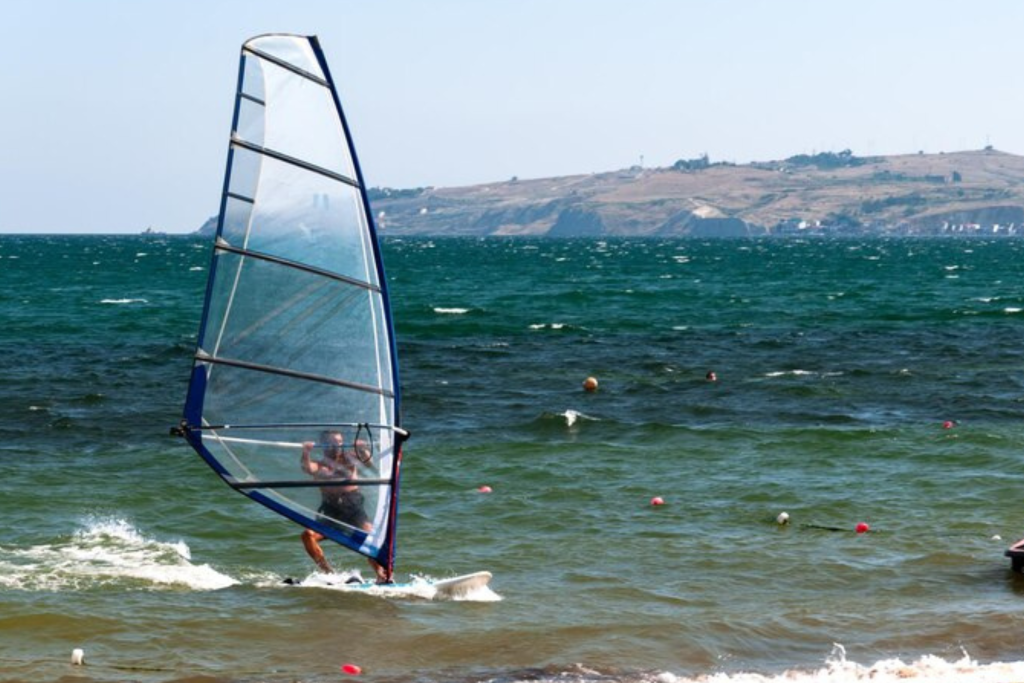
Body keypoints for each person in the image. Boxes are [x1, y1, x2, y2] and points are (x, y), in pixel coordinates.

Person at [299, 430, 388, 583]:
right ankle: (329, 574)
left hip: (353, 508)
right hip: (330, 510)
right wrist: (306, 452)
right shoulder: (320, 466)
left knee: (372, 542)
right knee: (307, 536)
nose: (337, 446)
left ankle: (382, 576)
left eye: (339, 442)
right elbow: (307, 467)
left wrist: (363, 448)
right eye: (332, 443)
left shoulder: (350, 458)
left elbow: (368, 462)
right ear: (324, 445)